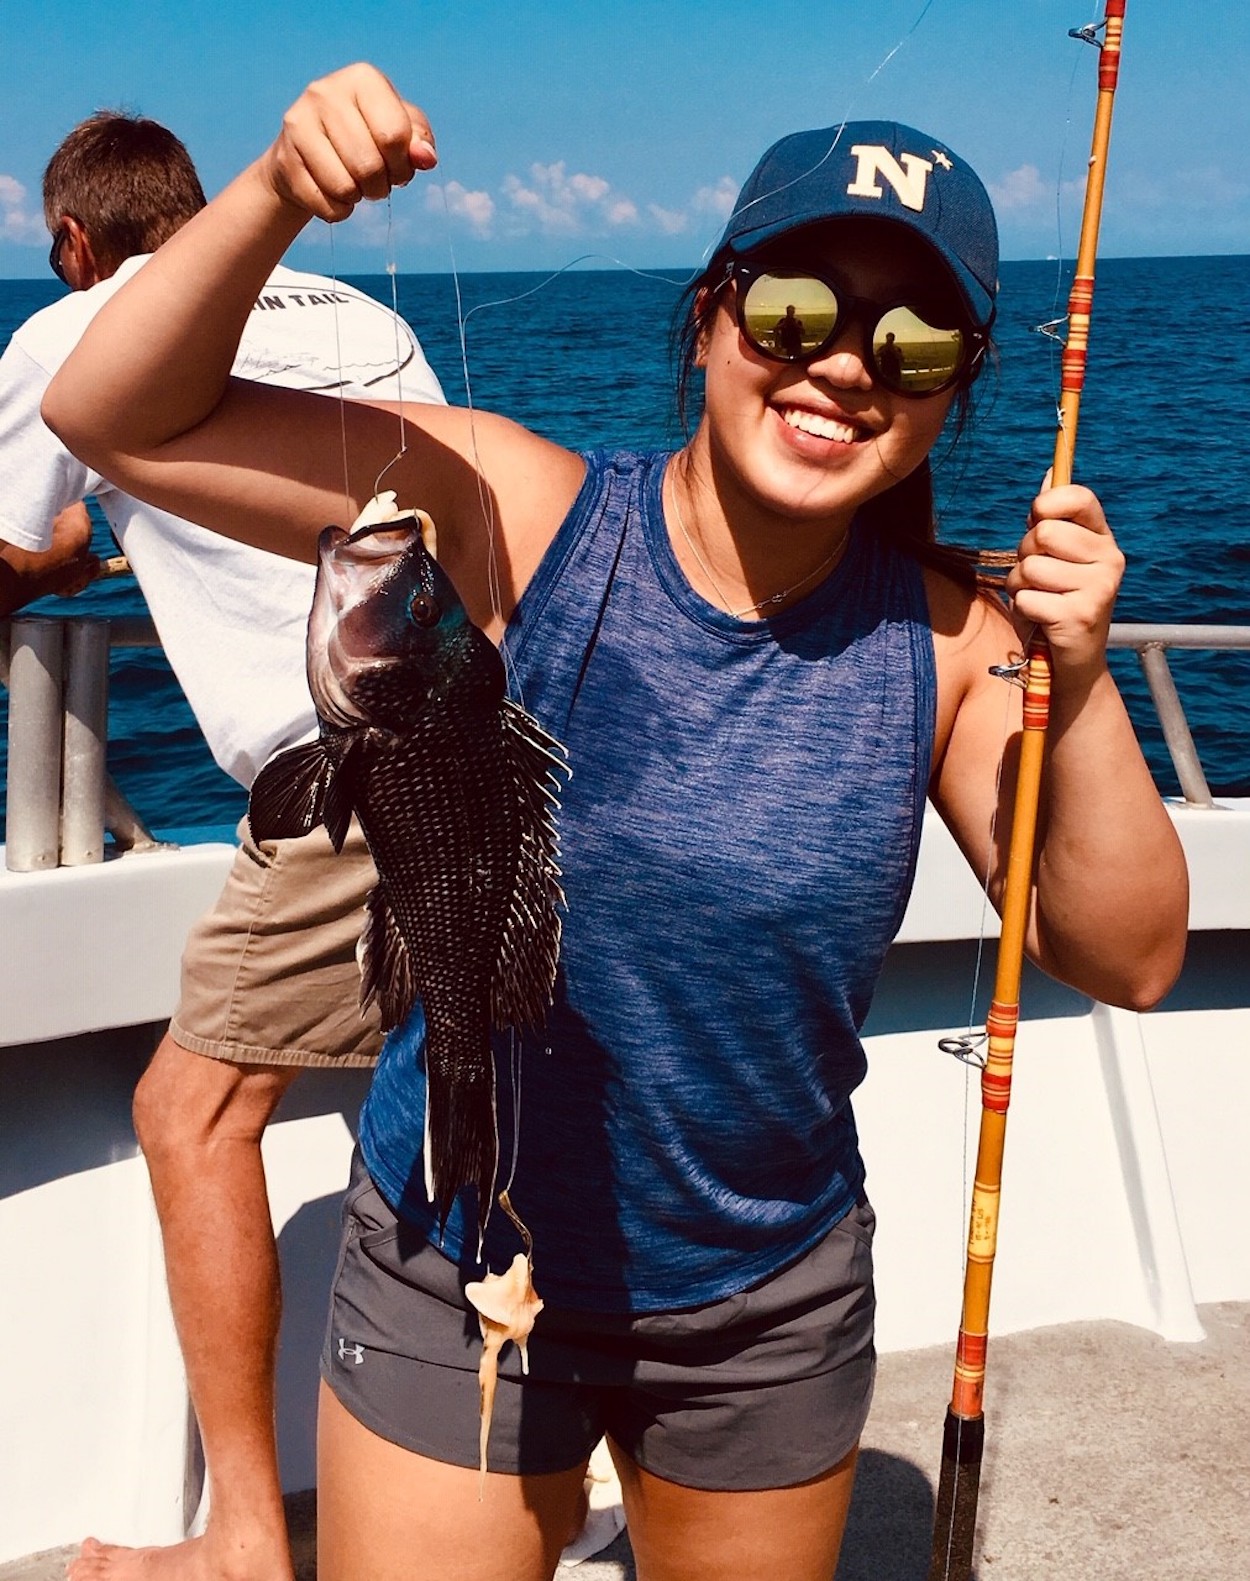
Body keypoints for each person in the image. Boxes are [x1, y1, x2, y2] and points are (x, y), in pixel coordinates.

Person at [44, 67, 1189, 1581]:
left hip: (762, 1308)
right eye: (795, 310)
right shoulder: (524, 511)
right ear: (711, 317)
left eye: (912, 342)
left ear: (951, 391)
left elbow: (1125, 954)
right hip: (451, 1254)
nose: (845, 365)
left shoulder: (950, 647)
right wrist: (272, 194)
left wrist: (1080, 677)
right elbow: (111, 414)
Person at [0, 109, 446, 1581]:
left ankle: (247, 1537)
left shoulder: (69, 332)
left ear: (75, 240)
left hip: (346, 773)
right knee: (484, 1102)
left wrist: (58, 557)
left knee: (190, 1114)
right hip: (486, 742)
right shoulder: (367, 315)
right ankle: (537, 1474)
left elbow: (10, 540)